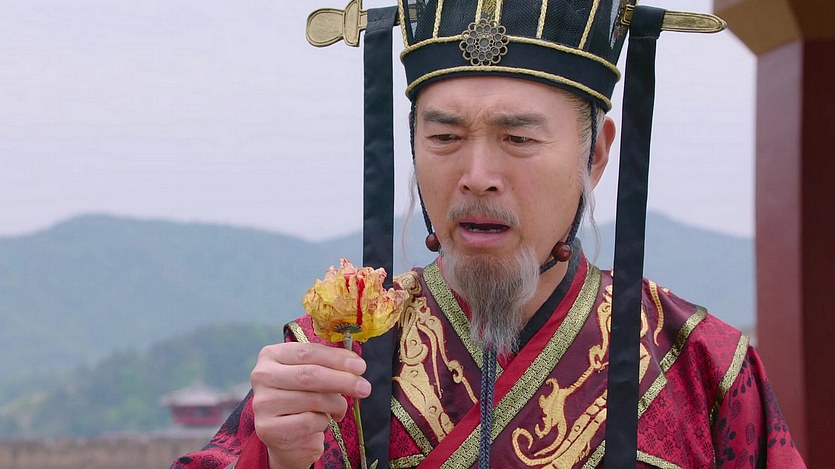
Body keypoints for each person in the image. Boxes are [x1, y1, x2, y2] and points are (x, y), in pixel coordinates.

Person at [172, 1, 805, 468]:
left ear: (595, 155)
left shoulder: (701, 367)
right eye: (444, 137)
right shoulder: (327, 366)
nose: (477, 176)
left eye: (519, 138)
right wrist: (276, 459)